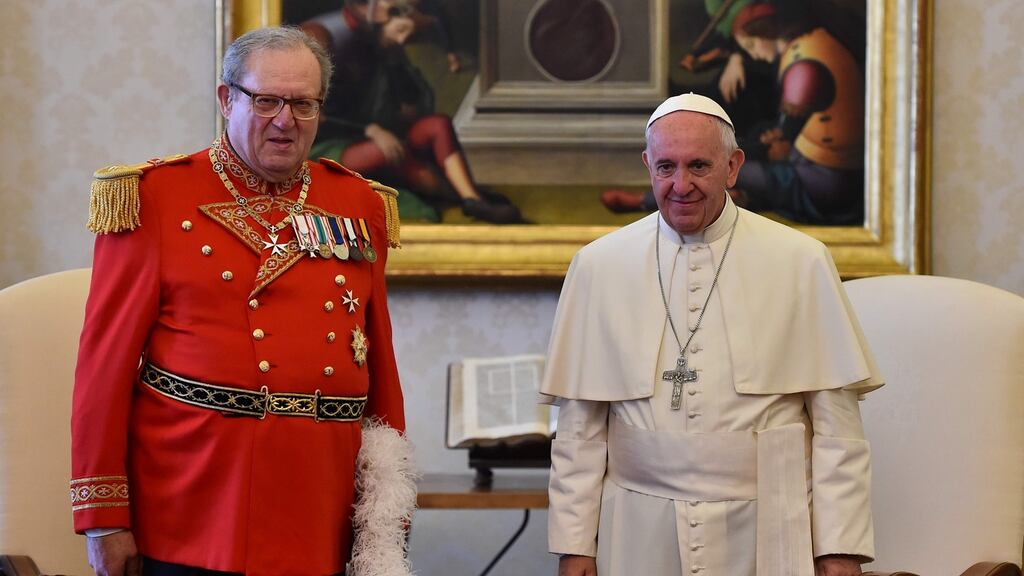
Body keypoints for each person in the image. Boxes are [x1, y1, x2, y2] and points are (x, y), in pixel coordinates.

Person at [71, 26, 415, 576]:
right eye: (266, 100)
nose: (285, 120)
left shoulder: (357, 201)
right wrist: (103, 515)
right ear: (226, 98)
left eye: (302, 103)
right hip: (196, 507)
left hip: (322, 502)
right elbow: (102, 369)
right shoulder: (154, 197)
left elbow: (378, 361)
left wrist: (388, 504)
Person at [541, 93, 882, 576]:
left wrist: (838, 549)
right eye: (666, 167)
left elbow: (837, 428)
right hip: (637, 527)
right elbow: (580, 428)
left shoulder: (799, 261)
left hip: (768, 524)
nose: (682, 185)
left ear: (733, 166)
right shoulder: (599, 265)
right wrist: (575, 546)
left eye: (699, 166)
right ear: (647, 165)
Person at [302, 0, 522, 224]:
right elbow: (311, 111)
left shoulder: (385, 51)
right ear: (379, 20)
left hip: (374, 136)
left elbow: (410, 109)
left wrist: (396, 67)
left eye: (410, 33)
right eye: (400, 30)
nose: (403, 39)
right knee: (388, 151)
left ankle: (470, 198)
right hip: (330, 145)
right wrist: (371, 130)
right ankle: (464, 197)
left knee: (436, 125)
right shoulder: (326, 37)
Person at [729, 0, 866, 225]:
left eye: (752, 45)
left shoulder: (804, 64)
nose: (753, 55)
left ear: (766, 30)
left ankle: (652, 200)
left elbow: (781, 147)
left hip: (825, 183)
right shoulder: (814, 43)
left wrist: (752, 148)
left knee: (725, 170)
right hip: (820, 169)